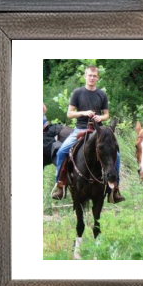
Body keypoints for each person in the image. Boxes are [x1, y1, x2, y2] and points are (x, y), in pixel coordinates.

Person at [51, 66, 125, 203]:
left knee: (117, 156)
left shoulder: (101, 94)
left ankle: (114, 189)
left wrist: (100, 118)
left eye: (94, 76)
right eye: (89, 75)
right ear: (85, 76)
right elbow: (69, 113)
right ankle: (60, 185)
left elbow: (106, 114)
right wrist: (84, 113)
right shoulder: (78, 93)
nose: (92, 78)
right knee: (62, 151)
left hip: (99, 131)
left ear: (97, 78)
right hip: (80, 129)